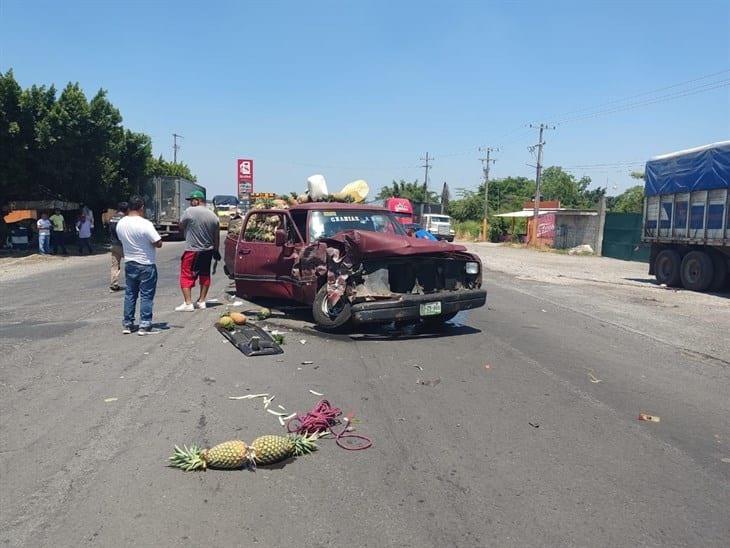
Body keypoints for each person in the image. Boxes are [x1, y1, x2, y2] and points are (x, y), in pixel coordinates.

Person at [115, 195, 162, 335]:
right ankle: (145, 324)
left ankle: (128, 324)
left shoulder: (121, 223)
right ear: (141, 207)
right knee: (146, 295)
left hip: (130, 262)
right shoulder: (145, 224)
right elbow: (158, 242)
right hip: (146, 263)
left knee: (130, 294)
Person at [175, 190, 220, 311]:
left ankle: (188, 303)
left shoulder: (189, 211)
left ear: (198, 201)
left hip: (192, 250)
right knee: (205, 275)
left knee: (186, 275)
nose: (190, 203)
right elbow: (216, 236)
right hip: (208, 251)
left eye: (191, 201)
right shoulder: (213, 216)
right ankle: (202, 301)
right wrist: (216, 250)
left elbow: (181, 225)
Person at [108, 202, 128, 291]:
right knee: (132, 262)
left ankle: (114, 284)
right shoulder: (124, 219)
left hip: (113, 244)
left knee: (115, 265)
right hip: (122, 245)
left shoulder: (112, 218)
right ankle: (133, 282)